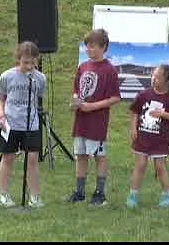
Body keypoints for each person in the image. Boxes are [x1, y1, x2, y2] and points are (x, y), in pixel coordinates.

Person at [65, 29, 121, 206]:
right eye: (87, 46)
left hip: (97, 121)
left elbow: (115, 97)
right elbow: (76, 89)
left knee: (98, 156)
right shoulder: (83, 67)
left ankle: (99, 193)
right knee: (80, 155)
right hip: (81, 120)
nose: (89, 50)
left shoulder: (109, 70)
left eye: (93, 46)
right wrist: (76, 101)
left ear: (103, 47)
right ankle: (79, 191)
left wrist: (93, 107)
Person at [0, 41, 46, 208]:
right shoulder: (7, 76)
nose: (29, 66)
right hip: (11, 122)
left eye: (32, 62)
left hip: (31, 123)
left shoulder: (40, 78)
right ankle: (3, 194)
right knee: (8, 157)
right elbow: (1, 97)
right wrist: (1, 115)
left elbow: (38, 95)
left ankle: (34, 196)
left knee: (32, 159)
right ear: (18, 59)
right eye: (25, 62)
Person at [125, 64, 169, 208]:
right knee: (140, 165)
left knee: (159, 167)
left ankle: (167, 195)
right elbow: (134, 111)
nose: (153, 79)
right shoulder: (143, 94)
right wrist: (133, 128)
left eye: (157, 77)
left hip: (160, 140)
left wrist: (163, 114)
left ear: (167, 81)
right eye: (152, 76)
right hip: (142, 137)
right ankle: (132, 195)